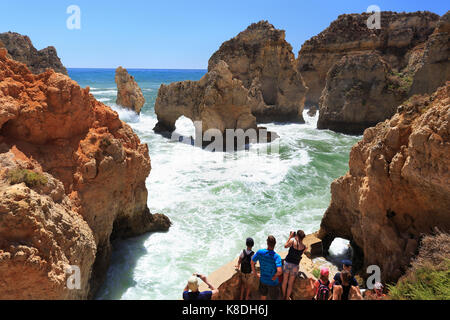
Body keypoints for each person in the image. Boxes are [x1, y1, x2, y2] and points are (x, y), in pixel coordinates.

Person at [251, 235, 283, 300]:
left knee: (263, 296)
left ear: (267, 243)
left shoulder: (260, 252)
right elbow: (279, 271)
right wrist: (275, 276)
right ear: (275, 244)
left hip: (263, 280)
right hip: (273, 282)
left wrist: (255, 273)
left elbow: (252, 262)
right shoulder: (276, 257)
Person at [281, 230, 306, 300]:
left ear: (297, 236)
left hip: (288, 263)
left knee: (285, 281)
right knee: (290, 284)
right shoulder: (304, 247)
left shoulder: (292, 242)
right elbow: (300, 253)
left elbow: (285, 246)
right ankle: (286, 298)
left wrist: (290, 237)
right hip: (295, 265)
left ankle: (283, 296)